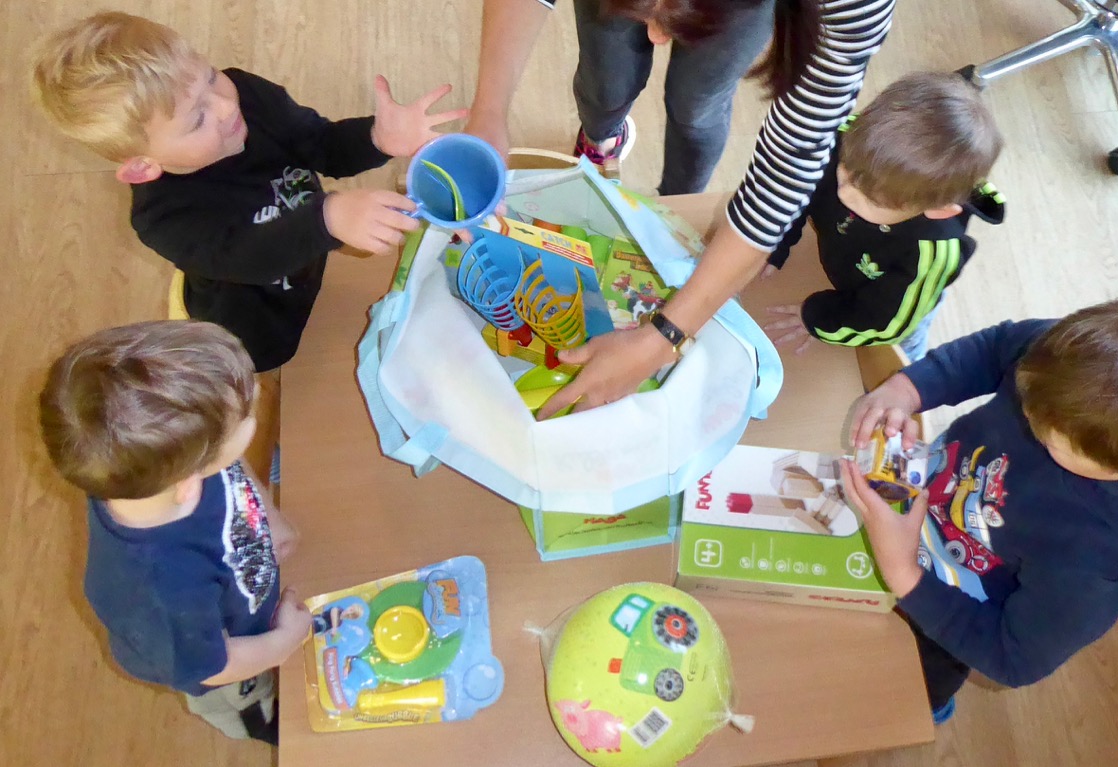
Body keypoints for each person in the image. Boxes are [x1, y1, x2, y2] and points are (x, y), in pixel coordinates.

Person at [30, 11, 466, 482]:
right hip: (252, 320)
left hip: (309, 255)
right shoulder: (164, 217)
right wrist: (327, 219)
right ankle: (264, 447)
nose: (224, 106)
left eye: (209, 76)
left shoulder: (246, 96)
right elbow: (250, 257)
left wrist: (375, 138)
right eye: (197, 118)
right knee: (263, 387)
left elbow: (319, 144)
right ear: (142, 166)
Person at [837, 294, 1118, 723]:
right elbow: (997, 349)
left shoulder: (1101, 564)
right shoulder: (1069, 365)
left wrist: (903, 573)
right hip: (922, 510)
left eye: (1045, 435)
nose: (1023, 407)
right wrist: (908, 388)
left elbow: (1011, 658)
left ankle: (929, 707)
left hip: (955, 611)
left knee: (917, 678)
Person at [464, 0, 897, 416]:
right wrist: (489, 112)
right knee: (607, 82)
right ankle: (603, 141)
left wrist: (662, 338)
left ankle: (679, 193)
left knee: (696, 107)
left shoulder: (852, 8)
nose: (655, 35)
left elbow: (786, 172)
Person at [38, 320, 312, 744]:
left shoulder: (150, 472)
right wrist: (282, 643)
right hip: (225, 670)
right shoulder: (161, 590)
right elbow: (215, 666)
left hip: (241, 603)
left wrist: (268, 516)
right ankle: (264, 724)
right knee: (259, 708)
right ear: (189, 481)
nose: (255, 408)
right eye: (246, 420)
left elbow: (230, 470)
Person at [761, 72, 1005, 362]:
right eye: (845, 171)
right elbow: (798, 188)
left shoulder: (932, 255)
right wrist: (777, 241)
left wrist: (817, 318)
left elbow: (885, 324)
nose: (843, 192)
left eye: (869, 199)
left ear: (938, 211)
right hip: (848, 260)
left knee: (902, 357)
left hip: (899, 308)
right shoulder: (855, 144)